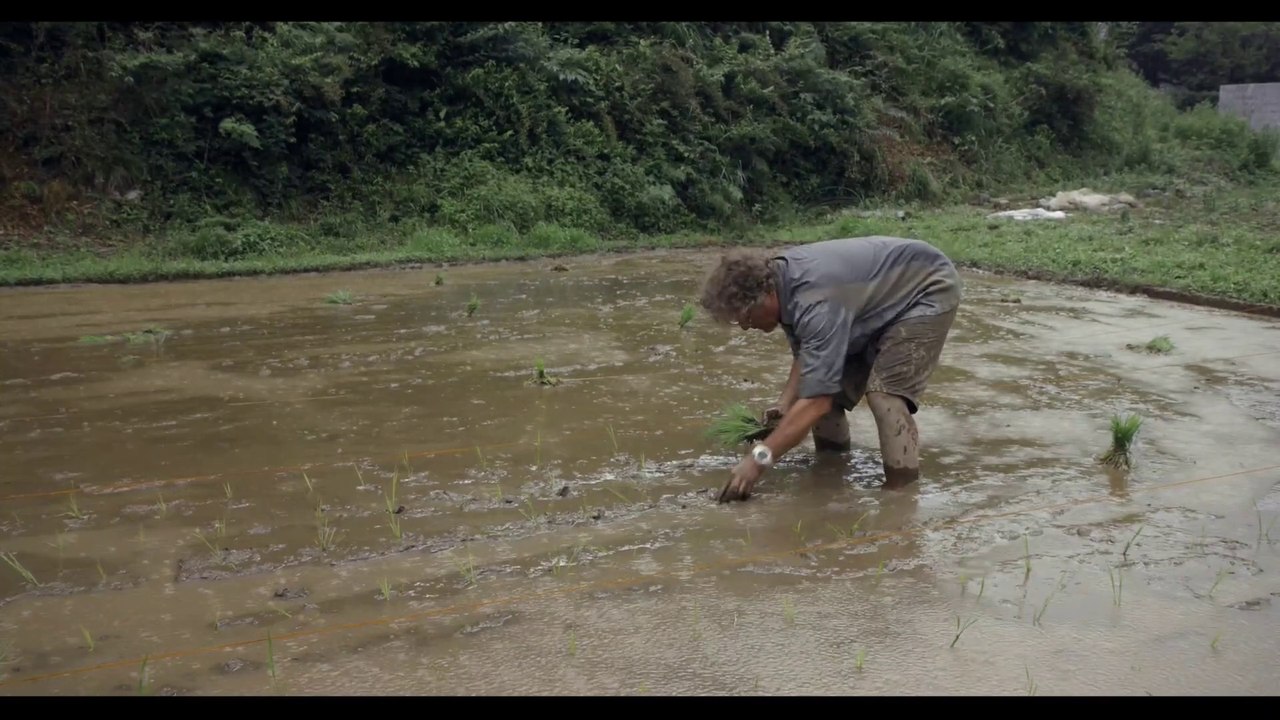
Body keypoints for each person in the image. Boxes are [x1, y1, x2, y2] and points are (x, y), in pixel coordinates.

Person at [698, 235, 962, 502]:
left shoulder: (814, 301)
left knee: (885, 396)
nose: (745, 325)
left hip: (925, 287)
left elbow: (817, 402)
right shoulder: (784, 284)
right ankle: (832, 472)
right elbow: (807, 356)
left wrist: (758, 460)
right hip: (870, 302)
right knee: (817, 392)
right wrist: (785, 403)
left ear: (766, 295)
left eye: (745, 316)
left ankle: (901, 497)